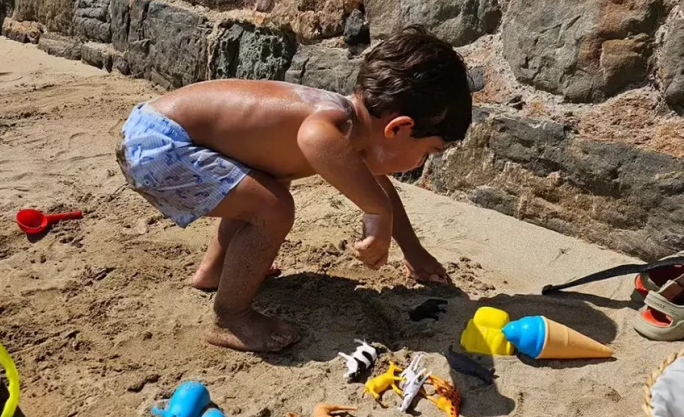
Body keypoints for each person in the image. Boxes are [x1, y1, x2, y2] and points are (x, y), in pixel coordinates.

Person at [116, 26, 472, 352]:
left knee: (260, 188)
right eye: (428, 152)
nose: (422, 162)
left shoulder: (352, 126)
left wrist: (413, 251)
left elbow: (377, 188)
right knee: (273, 207)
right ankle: (231, 317)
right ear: (397, 129)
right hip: (162, 145)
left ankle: (215, 272)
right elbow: (313, 139)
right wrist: (376, 212)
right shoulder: (335, 123)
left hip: (159, 133)